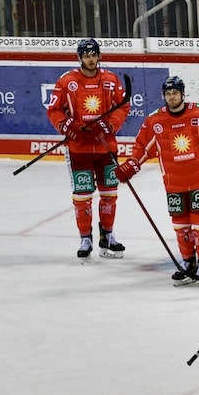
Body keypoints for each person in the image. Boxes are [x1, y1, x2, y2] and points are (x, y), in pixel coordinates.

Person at [114, 75, 199, 286]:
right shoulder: (155, 120)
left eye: (175, 93)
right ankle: (187, 263)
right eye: (168, 93)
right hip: (174, 182)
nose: (172, 97)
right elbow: (141, 148)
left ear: (182, 94)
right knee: (181, 225)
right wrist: (130, 166)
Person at [45, 38, 130, 261]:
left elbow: (122, 106)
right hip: (79, 149)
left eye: (93, 55)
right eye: (86, 55)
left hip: (105, 147)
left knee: (109, 194)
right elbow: (54, 110)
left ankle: (108, 235)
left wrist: (109, 125)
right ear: (80, 57)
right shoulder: (67, 81)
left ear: (99, 56)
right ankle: (85, 238)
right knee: (82, 196)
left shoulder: (110, 80)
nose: (90, 59)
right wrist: (68, 126)